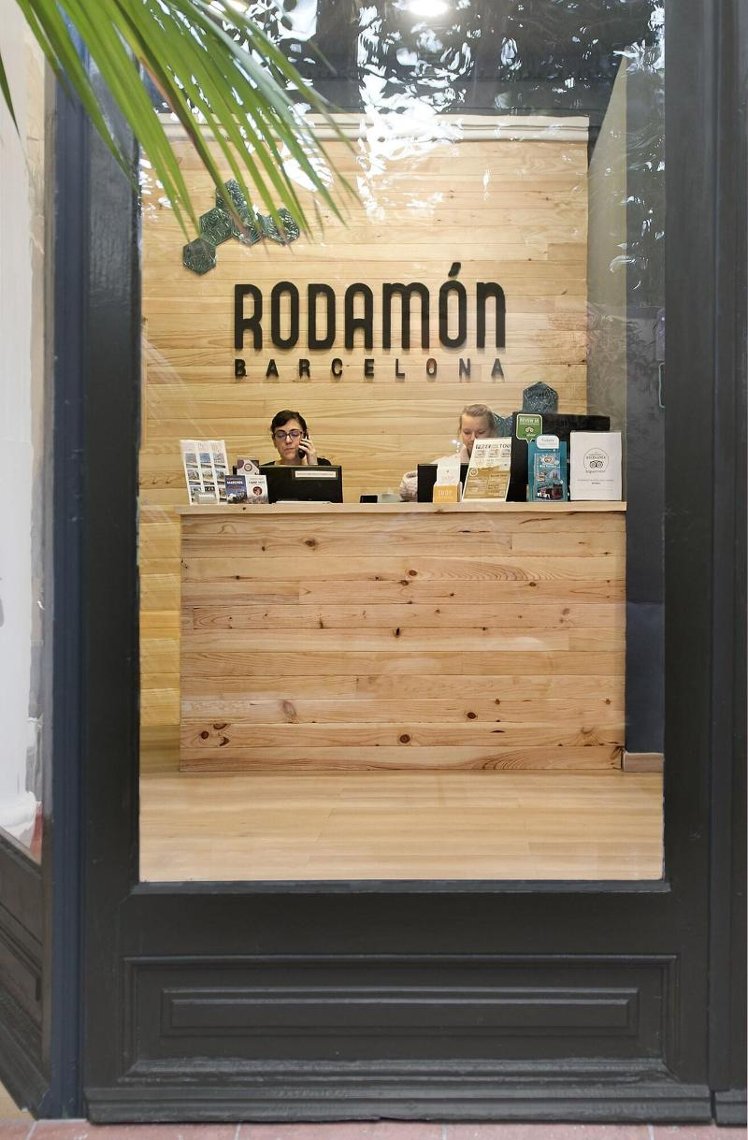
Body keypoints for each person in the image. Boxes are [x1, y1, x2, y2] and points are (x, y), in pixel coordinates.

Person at [398, 402, 500, 500]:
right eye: (467, 432)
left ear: (492, 431)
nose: (473, 438)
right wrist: (435, 485)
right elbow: (405, 486)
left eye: (480, 432)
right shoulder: (449, 464)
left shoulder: (506, 463)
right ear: (460, 432)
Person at [261, 409, 332, 467]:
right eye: (281, 435)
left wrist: (313, 466)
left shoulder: (323, 465)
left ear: (305, 436)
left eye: (294, 434)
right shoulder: (263, 472)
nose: (288, 441)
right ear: (274, 441)